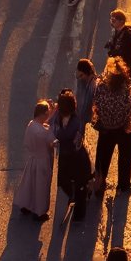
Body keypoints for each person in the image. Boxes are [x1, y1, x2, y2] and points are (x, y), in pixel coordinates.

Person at [91, 56, 131, 194]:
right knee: (125, 156)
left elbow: (96, 105)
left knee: (103, 155)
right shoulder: (127, 89)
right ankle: (123, 184)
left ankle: (100, 181)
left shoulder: (101, 87)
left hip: (106, 129)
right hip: (123, 129)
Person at [48, 89, 91, 222]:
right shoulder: (56, 117)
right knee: (63, 182)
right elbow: (49, 127)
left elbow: (77, 143)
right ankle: (73, 196)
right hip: (64, 156)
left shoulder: (77, 121)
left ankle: (79, 213)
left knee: (80, 185)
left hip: (77, 156)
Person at [15, 101, 56, 222]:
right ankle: (40, 212)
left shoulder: (31, 125)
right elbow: (53, 142)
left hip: (33, 159)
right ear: (43, 114)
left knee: (29, 184)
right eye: (48, 113)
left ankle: (26, 204)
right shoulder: (44, 132)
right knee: (41, 187)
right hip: (43, 161)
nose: (48, 116)